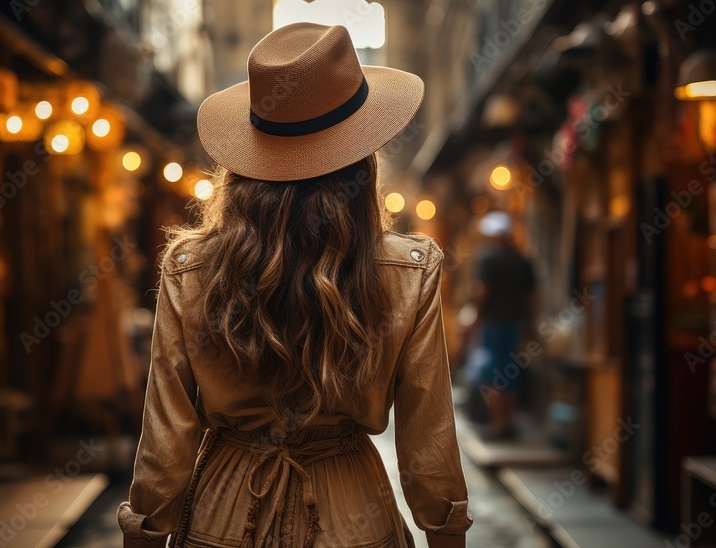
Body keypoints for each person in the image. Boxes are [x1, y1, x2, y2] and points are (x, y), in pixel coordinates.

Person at [117, 23, 471, 548]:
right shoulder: (409, 271)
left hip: (224, 518)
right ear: (363, 157)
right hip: (355, 521)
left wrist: (145, 532)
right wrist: (446, 533)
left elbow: (166, 440)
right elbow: (428, 440)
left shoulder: (190, 269)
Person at [470, 211, 537, 440]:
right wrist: (531, 324)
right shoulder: (521, 259)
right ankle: (508, 422)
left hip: (494, 324)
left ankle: (499, 425)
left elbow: (483, 292)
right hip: (515, 324)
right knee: (511, 372)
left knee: (492, 374)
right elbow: (532, 297)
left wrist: (476, 319)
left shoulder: (487, 258)